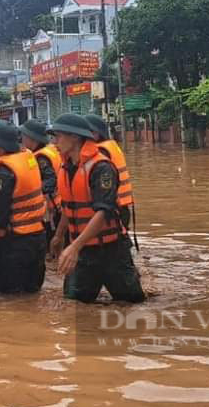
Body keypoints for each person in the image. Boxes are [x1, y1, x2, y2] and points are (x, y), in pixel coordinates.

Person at [49, 113, 145, 304]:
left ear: (75, 137)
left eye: (58, 136)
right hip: (83, 252)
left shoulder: (101, 168)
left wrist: (74, 247)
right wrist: (59, 236)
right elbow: (70, 206)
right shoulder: (67, 167)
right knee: (74, 305)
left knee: (131, 305)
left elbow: (104, 211)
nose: (54, 142)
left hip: (111, 250)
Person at [0, 119, 47, 294]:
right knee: (32, 290)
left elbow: (0, 207)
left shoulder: (4, 172)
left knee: (11, 293)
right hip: (37, 235)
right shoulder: (28, 158)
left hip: (16, 240)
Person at [84, 114, 138, 249]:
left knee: (116, 246)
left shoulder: (100, 151)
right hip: (120, 205)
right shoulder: (111, 145)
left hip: (113, 207)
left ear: (95, 133)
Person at [19, 118, 62, 244]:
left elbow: (50, 180)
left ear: (33, 139)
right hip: (58, 202)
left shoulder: (41, 157)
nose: (22, 139)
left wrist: (34, 191)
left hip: (52, 206)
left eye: (24, 135)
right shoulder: (50, 149)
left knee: (52, 239)